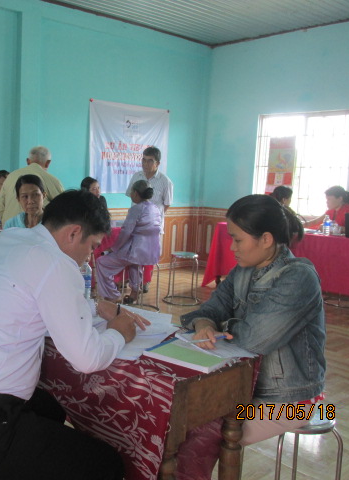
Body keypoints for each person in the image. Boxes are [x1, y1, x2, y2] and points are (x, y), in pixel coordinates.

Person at [0, 190, 150, 480]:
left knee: (50, 409)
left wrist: (94, 306)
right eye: (92, 246)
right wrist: (118, 333)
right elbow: (87, 358)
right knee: (106, 464)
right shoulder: (55, 262)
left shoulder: (9, 239)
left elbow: (29, 304)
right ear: (74, 233)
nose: (90, 257)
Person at [176, 194, 325, 479]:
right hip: (242, 389)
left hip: (291, 403)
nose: (232, 247)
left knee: (199, 432)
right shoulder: (243, 270)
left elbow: (255, 339)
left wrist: (220, 326)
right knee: (178, 419)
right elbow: (209, 309)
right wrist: (204, 323)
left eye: (237, 240)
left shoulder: (298, 278)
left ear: (266, 239)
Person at [96, 180, 161, 304]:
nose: (130, 194)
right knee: (135, 264)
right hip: (152, 251)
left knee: (102, 262)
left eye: (131, 192)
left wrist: (113, 248)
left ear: (135, 193)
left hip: (137, 250)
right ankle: (135, 292)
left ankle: (112, 295)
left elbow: (126, 232)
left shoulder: (136, 209)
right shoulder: (155, 208)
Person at [126, 146, 173, 292]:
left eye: (150, 161)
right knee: (133, 253)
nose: (145, 164)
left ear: (157, 163)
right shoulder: (136, 176)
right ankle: (134, 282)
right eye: (144, 160)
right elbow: (130, 195)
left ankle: (145, 281)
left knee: (149, 255)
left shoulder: (165, 181)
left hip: (153, 226)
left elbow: (166, 204)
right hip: (135, 224)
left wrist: (152, 217)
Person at [0, 146, 65, 225]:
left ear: (28, 161)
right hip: (38, 228)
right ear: (48, 163)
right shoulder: (52, 180)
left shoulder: (10, 176)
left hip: (10, 227)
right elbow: (63, 208)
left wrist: (5, 223)